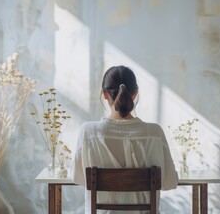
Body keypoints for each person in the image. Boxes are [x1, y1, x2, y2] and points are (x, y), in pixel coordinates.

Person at [72, 65, 178, 213]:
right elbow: (170, 182)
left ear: (104, 94)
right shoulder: (155, 133)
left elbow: (78, 178)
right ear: (135, 94)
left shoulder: (88, 132)